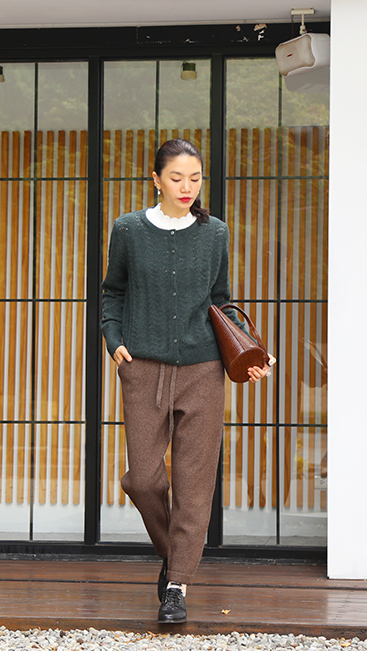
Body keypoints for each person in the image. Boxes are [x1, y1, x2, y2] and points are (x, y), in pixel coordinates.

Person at [101, 138, 272, 624]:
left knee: (194, 484)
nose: (186, 187)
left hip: (203, 370)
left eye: (195, 178)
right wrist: (114, 340)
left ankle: (176, 584)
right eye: (176, 178)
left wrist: (247, 354)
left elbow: (221, 301)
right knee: (142, 478)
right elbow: (112, 292)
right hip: (143, 369)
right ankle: (173, 553)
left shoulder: (215, 232)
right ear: (156, 179)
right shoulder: (128, 230)